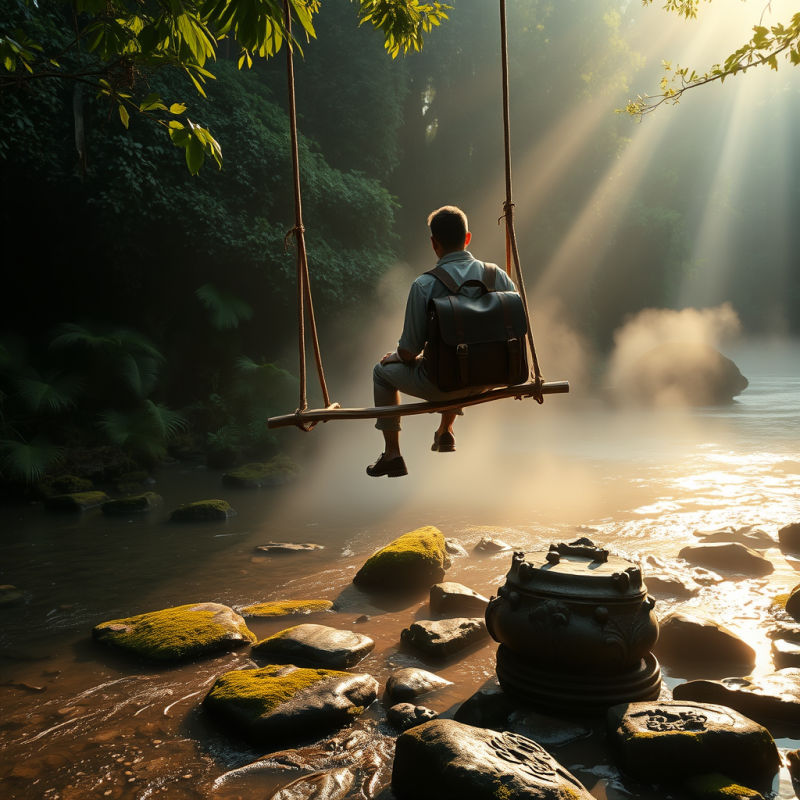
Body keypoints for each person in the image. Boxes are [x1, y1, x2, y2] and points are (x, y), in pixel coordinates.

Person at [367, 205, 517, 478]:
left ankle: (392, 454)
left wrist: (397, 356)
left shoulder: (424, 285)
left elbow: (410, 351)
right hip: (490, 379)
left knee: (381, 373)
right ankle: (446, 430)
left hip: (445, 385)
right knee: (464, 350)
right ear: (468, 238)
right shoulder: (499, 276)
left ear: (434, 243)